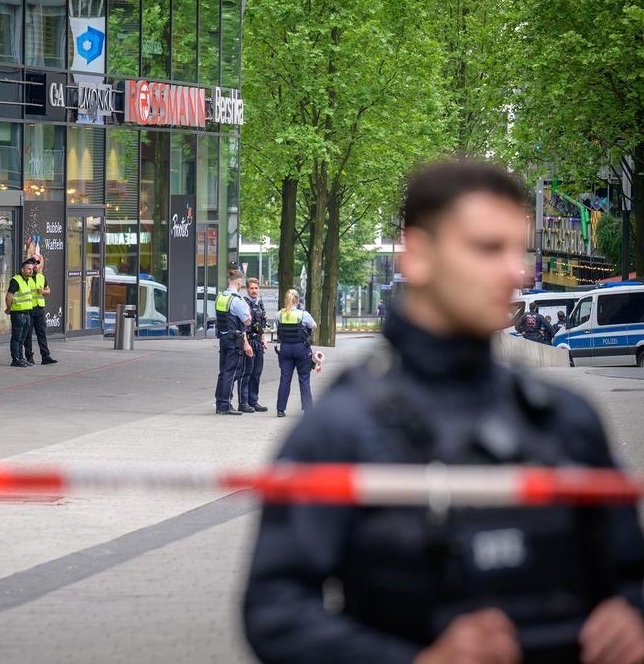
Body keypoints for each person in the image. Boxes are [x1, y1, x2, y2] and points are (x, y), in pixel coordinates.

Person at [243, 159, 644, 664]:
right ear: (417, 255)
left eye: (517, 250)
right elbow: (274, 612)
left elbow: (631, 571)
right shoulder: (341, 429)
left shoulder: (567, 418)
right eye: (486, 248)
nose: (516, 271)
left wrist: (631, 613)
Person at [214, 270, 254, 415]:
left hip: (223, 338)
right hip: (234, 341)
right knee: (231, 372)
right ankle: (225, 404)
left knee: (223, 371)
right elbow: (247, 320)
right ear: (238, 282)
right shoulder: (236, 300)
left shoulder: (221, 297)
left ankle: (220, 401)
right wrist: (246, 307)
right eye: (241, 282)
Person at [274, 289, 315, 418]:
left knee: (285, 379)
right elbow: (313, 326)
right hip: (301, 349)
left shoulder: (279, 314)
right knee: (304, 379)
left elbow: (277, 326)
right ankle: (308, 409)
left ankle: (280, 409)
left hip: (285, 348)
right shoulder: (303, 314)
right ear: (297, 300)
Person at [23, 256, 57, 366]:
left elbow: (48, 290)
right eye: (34, 264)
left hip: (39, 309)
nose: (36, 266)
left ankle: (45, 356)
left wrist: (42, 291)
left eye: (37, 264)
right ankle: (29, 357)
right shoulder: (25, 277)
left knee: (41, 334)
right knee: (27, 335)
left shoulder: (41, 277)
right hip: (28, 308)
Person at [243, 278, 269, 413]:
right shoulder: (244, 303)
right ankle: (244, 402)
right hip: (248, 341)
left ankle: (253, 401)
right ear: (247, 289)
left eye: (256, 288)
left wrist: (263, 338)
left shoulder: (259, 303)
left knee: (257, 373)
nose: (254, 291)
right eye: (251, 288)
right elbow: (242, 325)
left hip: (258, 341)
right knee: (247, 372)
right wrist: (245, 343)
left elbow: (261, 324)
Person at [6, 258, 37, 367]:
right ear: (22, 269)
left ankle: (21, 357)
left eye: (32, 269)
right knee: (16, 337)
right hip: (18, 313)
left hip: (27, 312)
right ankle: (15, 359)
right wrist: (9, 308)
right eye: (28, 269)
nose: (31, 271)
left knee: (22, 338)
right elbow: (9, 296)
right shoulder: (16, 280)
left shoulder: (28, 280)